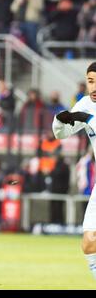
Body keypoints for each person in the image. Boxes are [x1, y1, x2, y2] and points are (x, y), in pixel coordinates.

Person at [52, 62, 96, 280]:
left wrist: (89, 120)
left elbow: (89, 121)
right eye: (90, 81)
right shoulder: (87, 103)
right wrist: (60, 121)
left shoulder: (89, 112)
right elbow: (61, 134)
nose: (94, 87)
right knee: (89, 244)